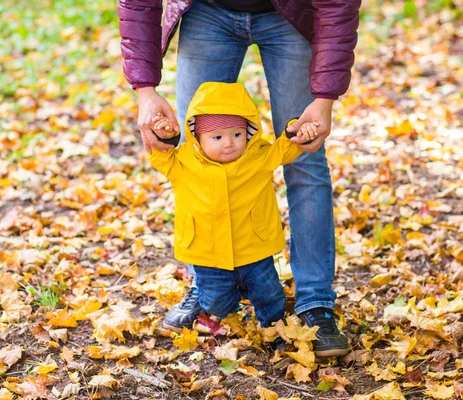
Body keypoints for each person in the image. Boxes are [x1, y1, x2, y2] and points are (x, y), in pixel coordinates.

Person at [118, 0, 360, 356]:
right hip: (207, 12)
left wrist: (325, 97)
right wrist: (144, 89)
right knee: (194, 153)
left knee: (304, 153)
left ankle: (315, 304)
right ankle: (207, 285)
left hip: (291, 14)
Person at [148, 81, 318, 330]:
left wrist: (296, 132)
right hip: (208, 251)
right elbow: (160, 155)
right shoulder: (184, 162)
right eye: (217, 137)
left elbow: (285, 148)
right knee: (215, 298)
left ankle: (275, 329)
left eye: (237, 135)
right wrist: (164, 136)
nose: (228, 143)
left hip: (254, 248)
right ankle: (216, 313)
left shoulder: (258, 156)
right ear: (197, 137)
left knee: (268, 295)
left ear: (248, 132)